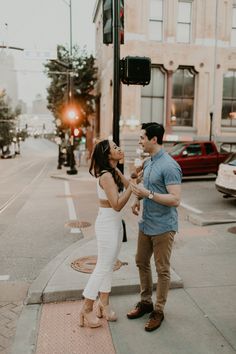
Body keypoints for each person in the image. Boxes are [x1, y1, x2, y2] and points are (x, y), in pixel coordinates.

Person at [127, 122, 182, 332]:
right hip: (146, 223)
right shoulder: (149, 162)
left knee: (162, 270)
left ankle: (158, 311)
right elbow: (145, 186)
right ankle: (146, 302)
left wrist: (147, 195)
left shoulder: (169, 166)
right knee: (141, 261)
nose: (140, 141)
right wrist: (137, 201)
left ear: (153, 140)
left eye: (142, 137)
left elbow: (175, 199)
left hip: (163, 227)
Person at [79, 139, 132, 328]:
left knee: (108, 265)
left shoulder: (113, 171)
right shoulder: (106, 176)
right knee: (102, 266)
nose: (119, 148)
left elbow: (128, 186)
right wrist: (133, 186)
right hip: (108, 225)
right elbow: (117, 204)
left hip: (115, 225)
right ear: (107, 155)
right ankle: (86, 308)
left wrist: (133, 181)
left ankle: (104, 303)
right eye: (115, 147)